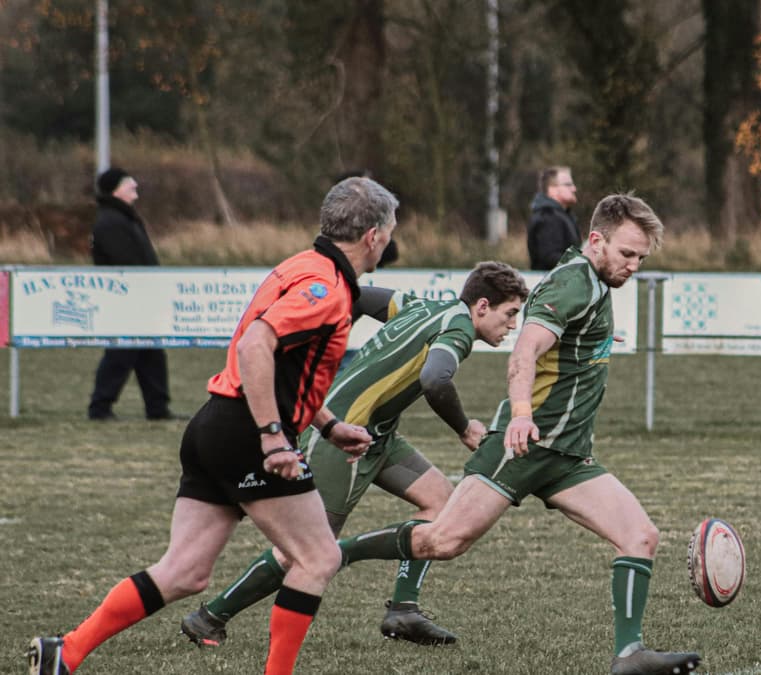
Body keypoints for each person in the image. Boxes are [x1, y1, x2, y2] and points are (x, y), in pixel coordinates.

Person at [28, 176, 397, 675]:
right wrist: (272, 437)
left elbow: (287, 369)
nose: (390, 242)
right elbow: (255, 347)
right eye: (390, 231)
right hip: (248, 434)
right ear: (373, 235)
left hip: (215, 425)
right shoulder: (326, 289)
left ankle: (65, 651)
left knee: (185, 571)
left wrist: (327, 426)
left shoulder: (300, 267)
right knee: (318, 558)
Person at [362, 194, 701, 674]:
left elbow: (565, 342)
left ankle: (630, 654)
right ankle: (332, 555)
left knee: (640, 536)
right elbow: (524, 353)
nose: (634, 266)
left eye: (642, 258)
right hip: (523, 446)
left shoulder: (595, 284)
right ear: (596, 240)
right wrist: (520, 414)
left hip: (567, 456)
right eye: (627, 254)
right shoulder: (572, 284)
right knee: (444, 541)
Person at [179, 262, 529, 647]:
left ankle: (404, 610)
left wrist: (333, 349)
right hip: (341, 438)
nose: (512, 325)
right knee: (307, 549)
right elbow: (435, 379)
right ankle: (209, 617)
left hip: (378, 437)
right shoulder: (458, 329)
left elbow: (358, 299)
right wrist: (464, 427)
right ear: (482, 306)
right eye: (510, 313)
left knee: (441, 505)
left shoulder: (421, 305)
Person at [86, 167, 182, 421]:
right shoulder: (111, 222)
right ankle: (100, 407)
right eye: (131, 188)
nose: (136, 194)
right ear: (116, 190)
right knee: (122, 352)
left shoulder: (123, 218)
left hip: (141, 299)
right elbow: (127, 263)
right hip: (127, 300)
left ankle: (157, 407)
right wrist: (145, 287)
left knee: (150, 352)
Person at [527, 166, 579, 270]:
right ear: (552, 190)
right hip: (554, 284)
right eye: (568, 184)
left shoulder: (562, 214)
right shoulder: (548, 217)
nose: (574, 188)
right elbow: (550, 257)